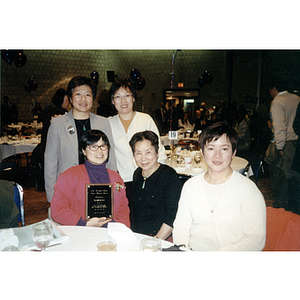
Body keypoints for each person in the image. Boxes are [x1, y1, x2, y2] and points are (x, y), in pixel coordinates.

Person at [173, 122, 266, 250]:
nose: (217, 155)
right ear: (202, 152)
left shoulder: (248, 190)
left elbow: (256, 240)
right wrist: (184, 251)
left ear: (233, 153)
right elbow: (181, 229)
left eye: (224, 149)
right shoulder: (190, 186)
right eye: (211, 148)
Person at [45, 76, 117, 203]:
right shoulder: (58, 123)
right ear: (70, 98)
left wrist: (112, 188)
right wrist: (52, 196)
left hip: (97, 186)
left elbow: (110, 158)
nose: (83, 99)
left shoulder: (103, 122)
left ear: (93, 98)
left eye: (88, 95)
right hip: (67, 188)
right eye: (78, 94)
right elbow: (50, 162)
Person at [51, 130, 130, 227]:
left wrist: (121, 229)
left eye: (103, 146)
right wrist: (85, 224)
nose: (99, 151)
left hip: (112, 232)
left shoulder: (116, 177)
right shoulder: (69, 176)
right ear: (84, 151)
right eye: (93, 147)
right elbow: (57, 210)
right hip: (81, 231)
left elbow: (123, 208)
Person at [108, 79, 166, 205]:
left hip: (148, 179)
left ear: (133, 98)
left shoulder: (145, 119)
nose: (123, 101)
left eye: (127, 96)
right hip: (122, 182)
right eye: (118, 97)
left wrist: (159, 178)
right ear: (113, 101)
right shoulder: (108, 123)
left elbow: (159, 150)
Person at [129, 130, 182, 240]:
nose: (143, 158)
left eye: (148, 152)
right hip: (137, 235)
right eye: (138, 153)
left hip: (161, 237)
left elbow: (172, 217)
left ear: (157, 152)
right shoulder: (137, 173)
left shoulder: (169, 176)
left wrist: (154, 242)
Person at [266, 76, 300, 211]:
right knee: (293, 180)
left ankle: (281, 211)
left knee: (280, 179)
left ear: (274, 89)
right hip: (297, 143)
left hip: (285, 144)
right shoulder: (296, 98)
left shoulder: (278, 101)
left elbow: (280, 128)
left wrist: (280, 147)